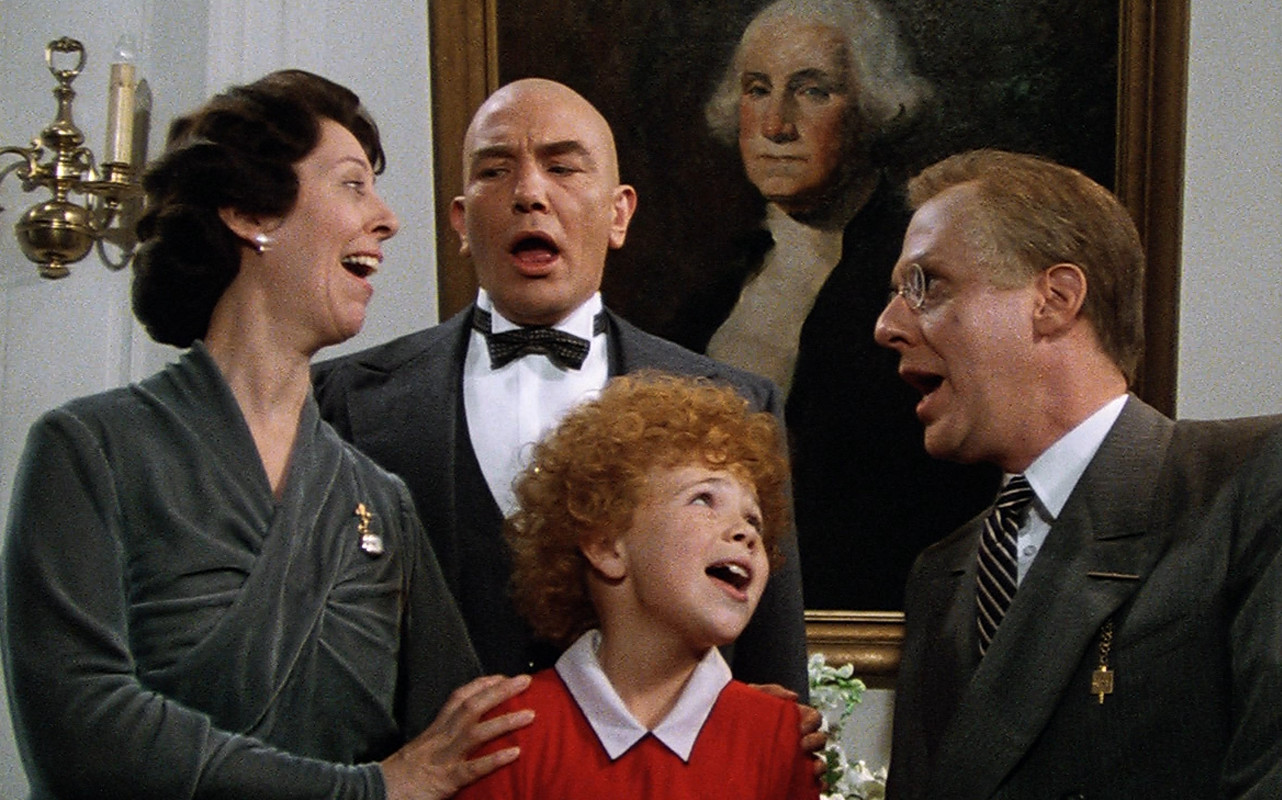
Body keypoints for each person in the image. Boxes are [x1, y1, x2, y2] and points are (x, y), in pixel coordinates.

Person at [1, 70, 531, 800]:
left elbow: (467, 742)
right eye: (353, 185)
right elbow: (80, 730)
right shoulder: (90, 450)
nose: (387, 219)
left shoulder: (379, 502)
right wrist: (366, 792)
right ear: (251, 212)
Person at [312, 78, 809, 695]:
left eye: (563, 168)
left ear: (618, 214)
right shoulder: (339, 398)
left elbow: (772, 680)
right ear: (461, 221)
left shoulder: (734, 402)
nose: (529, 193)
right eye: (496, 170)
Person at [874, 148, 1282, 798]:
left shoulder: (1253, 484)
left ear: (1055, 300)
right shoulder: (942, 575)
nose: (888, 326)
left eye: (927, 285)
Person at [692, 0, 996, 610]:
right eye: (758, 90)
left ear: (871, 109)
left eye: (812, 92)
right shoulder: (721, 279)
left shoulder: (924, 273)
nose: (776, 125)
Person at [455, 372, 820, 799]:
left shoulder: (777, 736)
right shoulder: (508, 733)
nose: (746, 533)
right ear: (606, 545)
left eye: (754, 519)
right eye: (704, 499)